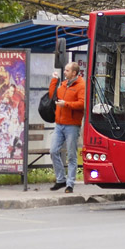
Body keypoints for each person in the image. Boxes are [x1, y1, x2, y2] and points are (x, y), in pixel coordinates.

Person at [47, 61, 86, 192]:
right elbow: (53, 96)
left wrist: (67, 104)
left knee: (71, 155)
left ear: (74, 73)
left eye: (67, 70)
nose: (65, 72)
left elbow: (82, 104)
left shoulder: (81, 85)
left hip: (72, 125)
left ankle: (70, 183)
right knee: (53, 151)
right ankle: (61, 180)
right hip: (59, 123)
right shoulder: (63, 84)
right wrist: (54, 80)